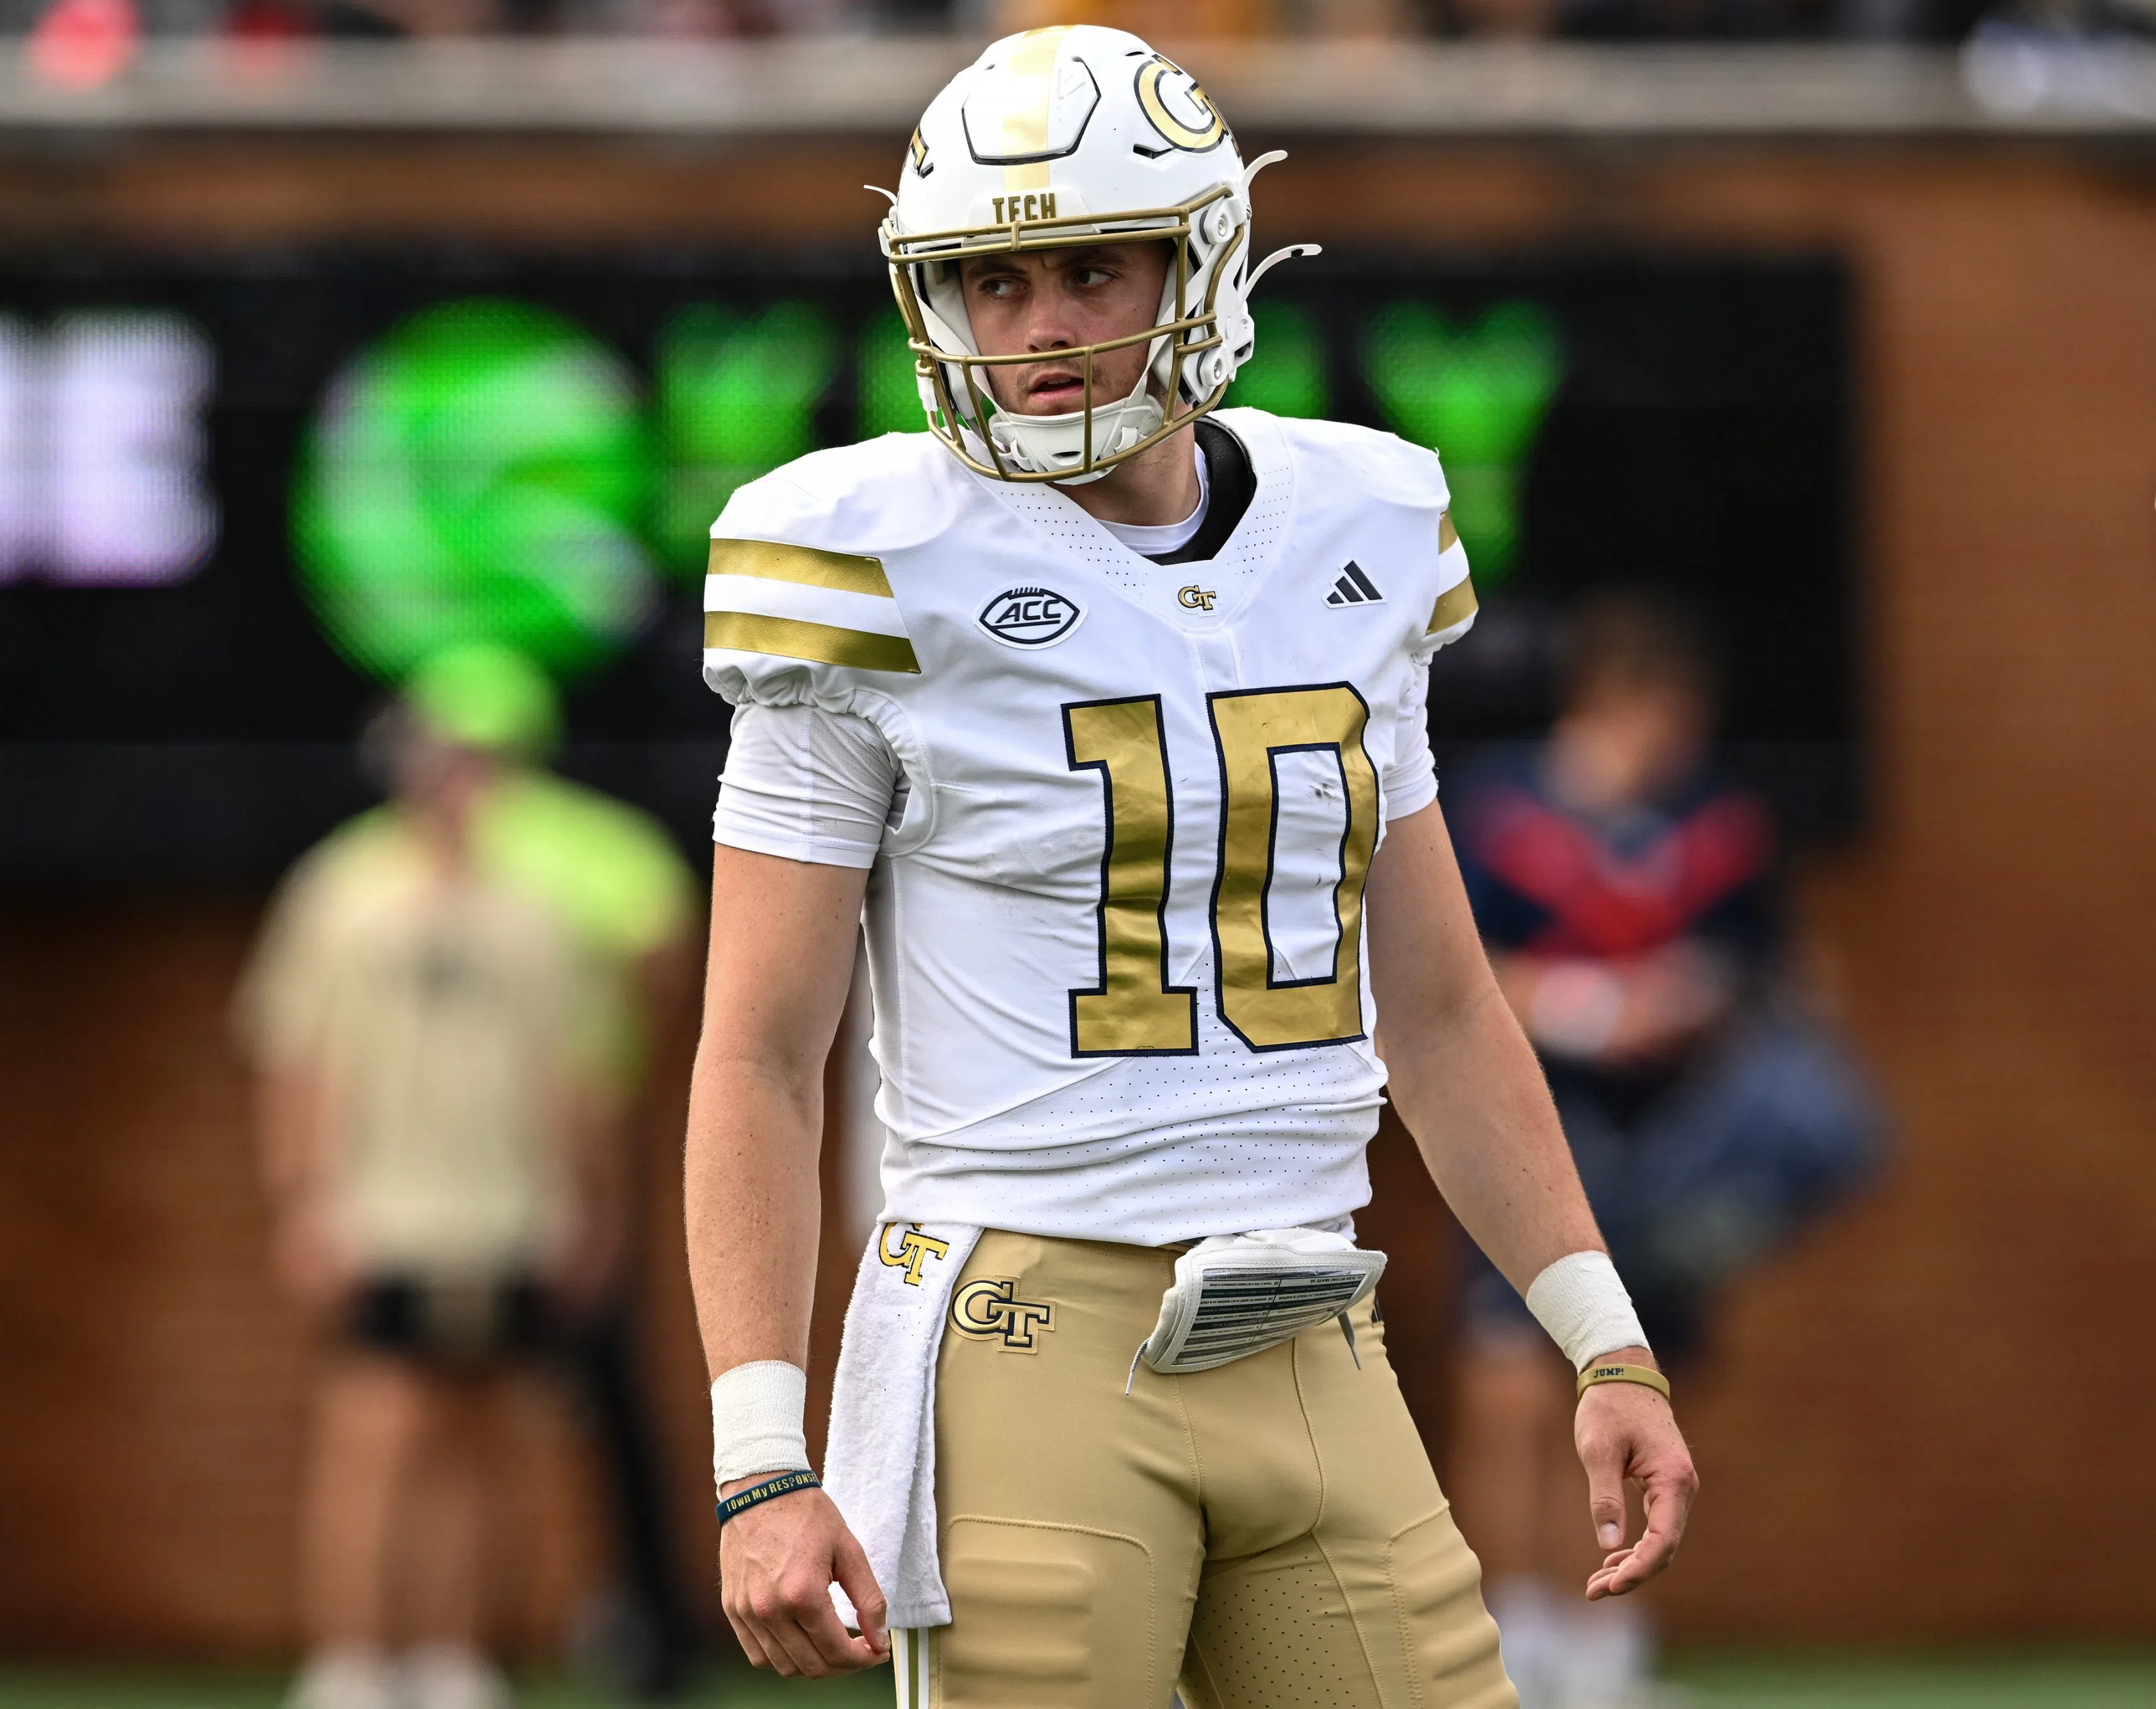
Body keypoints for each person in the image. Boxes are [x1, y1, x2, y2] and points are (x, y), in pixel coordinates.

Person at [682, 26, 1698, 1709]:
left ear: (1206, 259)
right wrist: (757, 1452)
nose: (1043, 327)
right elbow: (759, 1053)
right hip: (1026, 1336)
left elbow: (1439, 1008)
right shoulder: (862, 558)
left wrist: (1604, 1333)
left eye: (1090, 267)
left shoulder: (1358, 523)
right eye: (994, 283)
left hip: (1314, 1319)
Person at [1442, 592, 1879, 1709]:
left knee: (1633, 1394)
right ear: (1609, 698)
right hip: (1532, 1129)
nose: (1669, 742)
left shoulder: (1717, 828)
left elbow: (1784, 978)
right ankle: (1521, 1648)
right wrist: (1593, 1007)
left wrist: (1709, 1009)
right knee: (1508, 1387)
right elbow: (1449, 981)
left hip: (1668, 1140)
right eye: (1655, 715)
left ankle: (1604, 1657)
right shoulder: (1498, 818)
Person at [239, 642, 696, 1709]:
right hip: (384, 1215)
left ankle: (451, 1653)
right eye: (438, 758)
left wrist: (594, 1213)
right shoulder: (342, 894)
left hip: (507, 1217)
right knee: (376, 1434)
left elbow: (581, 1079)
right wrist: (303, 1199)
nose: (456, 782)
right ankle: (353, 1659)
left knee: (483, 1432)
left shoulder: (538, 917)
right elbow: (293, 1061)